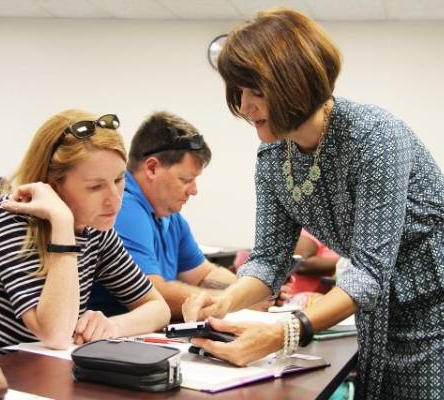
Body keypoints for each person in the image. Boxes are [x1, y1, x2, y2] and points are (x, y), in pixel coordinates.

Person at [182, 7, 444, 400]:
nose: (244, 107)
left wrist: (286, 331)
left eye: (256, 91)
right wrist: (226, 300)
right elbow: (270, 259)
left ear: (295, 85)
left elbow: (370, 272)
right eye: (238, 92)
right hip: (374, 310)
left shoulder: (375, 138)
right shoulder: (273, 158)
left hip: (432, 308)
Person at [0, 109, 170, 369]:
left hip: (35, 373)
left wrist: (111, 326)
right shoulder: (14, 216)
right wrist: (62, 223)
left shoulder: (95, 228)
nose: (115, 199)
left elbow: (157, 307)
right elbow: (54, 333)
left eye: (119, 180)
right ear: (53, 184)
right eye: (95, 186)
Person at [89, 111, 240, 320]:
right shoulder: (122, 208)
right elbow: (152, 293)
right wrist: (234, 302)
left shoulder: (169, 216)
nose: (194, 190)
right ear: (152, 168)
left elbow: (204, 274)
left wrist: (253, 290)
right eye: (186, 179)